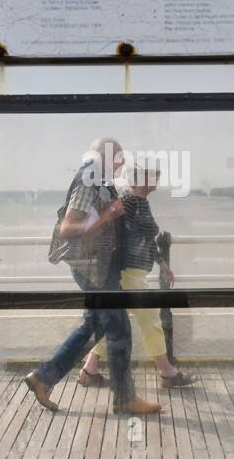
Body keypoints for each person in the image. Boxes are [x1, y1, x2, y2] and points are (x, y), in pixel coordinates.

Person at [23, 138, 163, 416]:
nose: (122, 165)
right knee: (119, 328)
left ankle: (43, 378)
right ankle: (124, 398)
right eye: (119, 158)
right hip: (94, 268)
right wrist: (108, 214)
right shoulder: (90, 178)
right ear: (105, 156)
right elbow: (68, 227)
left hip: (98, 266)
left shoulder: (98, 178)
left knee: (94, 326)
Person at [78, 155, 197, 389]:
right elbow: (117, 235)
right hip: (128, 273)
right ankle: (167, 373)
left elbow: (147, 239)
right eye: (154, 173)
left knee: (115, 321)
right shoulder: (129, 201)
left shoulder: (140, 202)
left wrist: (162, 264)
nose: (158, 176)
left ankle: (89, 370)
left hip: (135, 272)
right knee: (151, 320)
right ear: (140, 178)